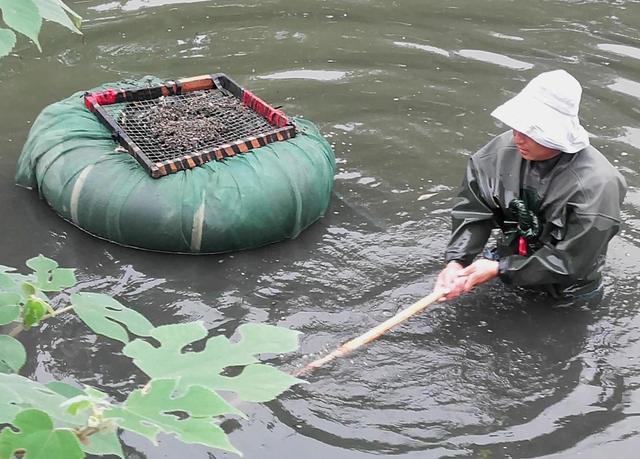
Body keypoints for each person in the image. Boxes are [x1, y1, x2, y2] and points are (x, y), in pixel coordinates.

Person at [435, 69, 627, 302]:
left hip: (564, 290)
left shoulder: (597, 186)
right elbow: (474, 210)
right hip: (506, 259)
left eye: (531, 132)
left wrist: (499, 269)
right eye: (517, 127)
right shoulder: (498, 154)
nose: (518, 138)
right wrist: (457, 261)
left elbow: (572, 261)